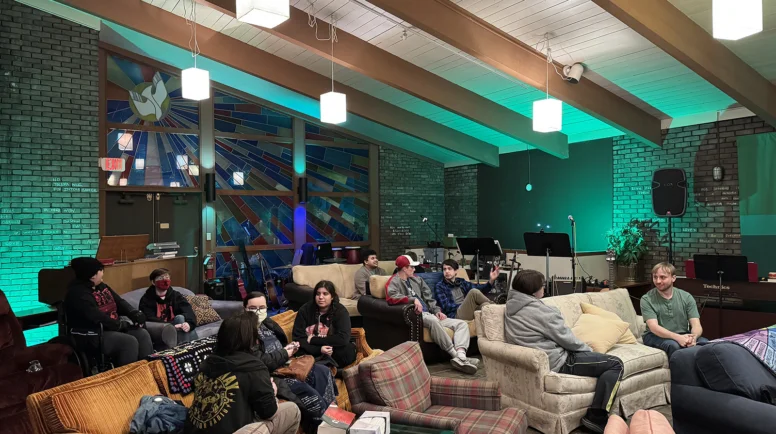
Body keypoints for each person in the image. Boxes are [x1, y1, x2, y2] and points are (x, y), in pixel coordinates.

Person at [504, 269, 623, 433]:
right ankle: (596, 417)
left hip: (540, 360)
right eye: (543, 286)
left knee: (604, 361)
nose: (544, 289)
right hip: (560, 361)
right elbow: (568, 340)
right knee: (616, 364)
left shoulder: (511, 306)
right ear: (534, 291)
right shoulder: (542, 312)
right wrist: (587, 350)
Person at [186, 312, 300, 434]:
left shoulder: (208, 362)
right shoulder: (253, 367)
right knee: (292, 410)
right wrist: (272, 392)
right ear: (251, 339)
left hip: (191, 430)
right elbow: (269, 413)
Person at [245, 292, 337, 434]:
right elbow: (258, 361)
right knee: (309, 394)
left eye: (262, 307)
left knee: (323, 372)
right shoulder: (244, 331)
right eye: (253, 308)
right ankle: (323, 425)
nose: (258, 311)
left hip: (286, 364)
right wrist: (284, 353)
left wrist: (289, 348)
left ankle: (333, 422)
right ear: (244, 308)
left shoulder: (268, 323)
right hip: (272, 374)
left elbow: (280, 345)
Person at [386, 255, 477, 375]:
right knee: (433, 320)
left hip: (430, 313)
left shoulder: (416, 279)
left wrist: (437, 311)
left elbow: (429, 298)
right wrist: (412, 299)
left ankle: (461, 355)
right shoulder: (394, 281)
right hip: (419, 315)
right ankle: (455, 355)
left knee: (461, 324)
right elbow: (391, 297)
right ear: (404, 268)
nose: (414, 270)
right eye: (412, 267)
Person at [64, 257, 153, 367]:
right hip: (92, 334)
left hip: (111, 328)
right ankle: (126, 380)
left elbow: (119, 302)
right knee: (128, 342)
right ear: (92, 275)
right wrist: (119, 325)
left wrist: (134, 313)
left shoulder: (101, 286)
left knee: (142, 334)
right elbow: (96, 316)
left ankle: (147, 372)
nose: (102, 273)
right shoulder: (78, 293)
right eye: (100, 271)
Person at [641, 262, 708, 358]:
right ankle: (679, 373)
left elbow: (696, 325)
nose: (658, 281)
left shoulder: (686, 297)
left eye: (662, 277)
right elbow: (654, 328)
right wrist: (678, 338)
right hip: (654, 336)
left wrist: (693, 337)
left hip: (683, 333)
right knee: (674, 345)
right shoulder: (647, 299)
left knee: (705, 343)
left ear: (673, 278)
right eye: (655, 277)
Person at [292, 281, 357, 369]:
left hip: (331, 348)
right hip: (311, 350)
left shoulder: (340, 311)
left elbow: (343, 338)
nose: (321, 297)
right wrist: (319, 349)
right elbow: (298, 337)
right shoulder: (305, 310)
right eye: (318, 294)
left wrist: (314, 340)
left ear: (332, 296)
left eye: (325, 294)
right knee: (297, 348)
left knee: (348, 350)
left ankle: (322, 366)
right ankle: (326, 367)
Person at [139, 268, 198, 349]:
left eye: (167, 277)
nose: (165, 280)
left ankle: (183, 350)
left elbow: (188, 310)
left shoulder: (176, 296)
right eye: (160, 278)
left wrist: (188, 324)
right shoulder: (146, 299)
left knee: (181, 318)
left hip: (178, 325)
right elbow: (148, 318)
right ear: (153, 282)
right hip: (161, 328)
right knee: (189, 335)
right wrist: (171, 326)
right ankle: (187, 351)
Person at [434, 259, 498, 320]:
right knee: (473, 292)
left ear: (456, 270)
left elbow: (481, 289)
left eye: (449, 269)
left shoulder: (461, 282)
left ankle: (494, 311)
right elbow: (446, 307)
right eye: (444, 269)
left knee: (485, 305)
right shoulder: (440, 286)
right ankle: (496, 306)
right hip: (455, 314)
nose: (447, 271)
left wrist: (491, 280)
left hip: (467, 311)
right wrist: (466, 304)